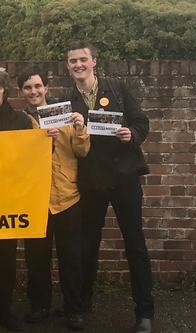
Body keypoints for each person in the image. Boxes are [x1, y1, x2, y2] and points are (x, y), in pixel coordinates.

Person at [61, 41, 154, 333]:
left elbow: (142, 121)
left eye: (83, 59)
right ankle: (82, 306)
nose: (78, 64)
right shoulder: (66, 101)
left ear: (94, 62)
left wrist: (132, 134)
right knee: (87, 247)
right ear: (68, 66)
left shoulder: (116, 88)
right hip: (90, 182)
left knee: (135, 246)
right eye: (73, 61)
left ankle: (145, 313)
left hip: (124, 178)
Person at [0, 69, 57, 332]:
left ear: (5, 91)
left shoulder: (20, 119)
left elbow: (36, 153)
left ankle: (6, 311)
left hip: (10, 197)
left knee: (8, 256)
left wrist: (47, 140)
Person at [18, 66, 89, 331]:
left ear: (46, 88)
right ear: (22, 92)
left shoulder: (63, 115)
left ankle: (74, 309)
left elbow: (81, 151)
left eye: (37, 86)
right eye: (27, 87)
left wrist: (80, 129)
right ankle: (39, 306)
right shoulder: (20, 121)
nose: (33, 91)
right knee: (36, 258)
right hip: (35, 199)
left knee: (71, 258)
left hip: (68, 196)